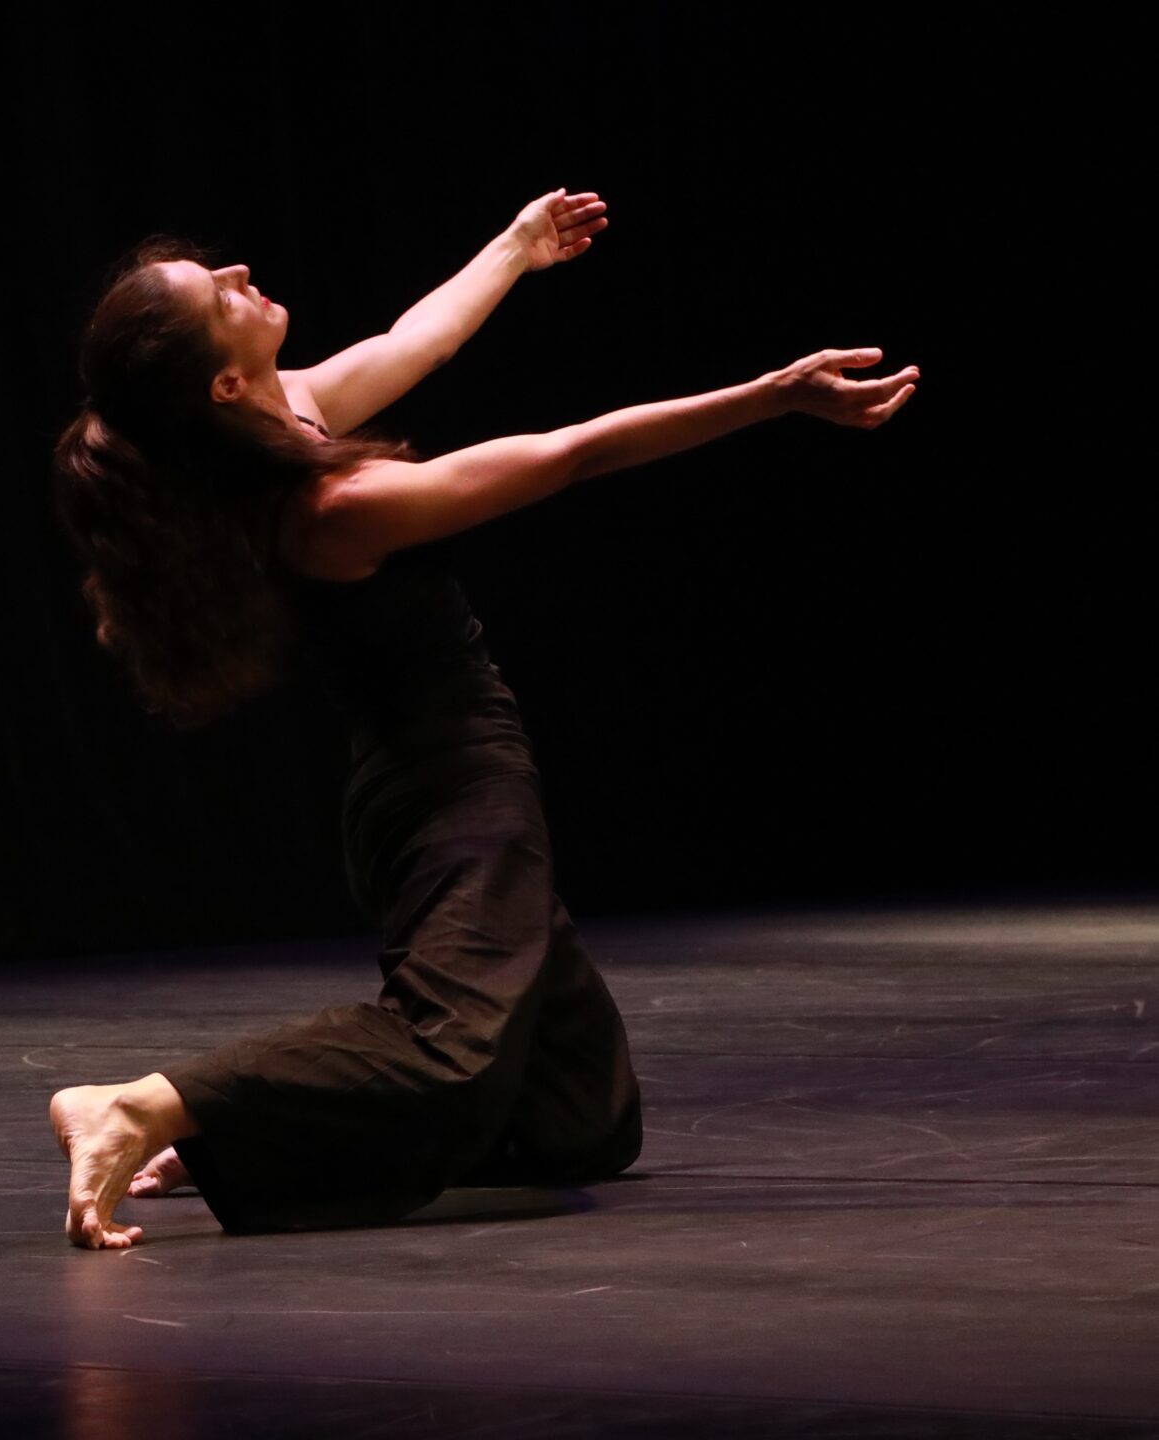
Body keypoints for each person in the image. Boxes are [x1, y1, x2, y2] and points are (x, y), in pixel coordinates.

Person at [49, 186, 920, 1249]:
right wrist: (771, 396)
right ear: (224, 381)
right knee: (449, 1054)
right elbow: (571, 453)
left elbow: (413, 341)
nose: (236, 273)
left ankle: (254, 1129)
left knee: (580, 1120)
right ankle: (142, 1104)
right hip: (452, 790)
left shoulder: (288, 417)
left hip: (427, 782)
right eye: (216, 295)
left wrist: (515, 248)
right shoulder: (330, 509)